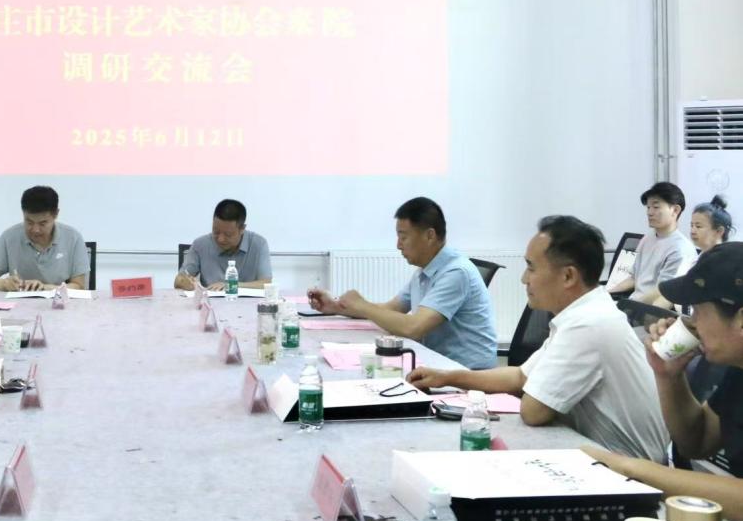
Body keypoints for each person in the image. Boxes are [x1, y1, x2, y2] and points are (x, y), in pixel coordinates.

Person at [408, 216, 668, 461]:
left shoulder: (588, 324)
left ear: (568, 276)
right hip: (599, 453)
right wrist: (447, 378)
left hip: (629, 473)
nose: (524, 278)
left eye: (531, 267)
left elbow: (534, 411)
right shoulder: (584, 312)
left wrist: (528, 390)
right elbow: (520, 376)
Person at [585, 241, 743, 521]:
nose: (692, 323)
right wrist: (669, 376)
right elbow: (698, 442)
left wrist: (632, 468)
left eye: (698, 311)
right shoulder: (738, 370)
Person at [308, 197, 497, 369]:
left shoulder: (456, 272)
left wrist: (363, 306)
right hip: (438, 365)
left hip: (468, 374)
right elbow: (391, 310)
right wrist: (336, 307)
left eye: (403, 237)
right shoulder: (424, 271)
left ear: (430, 236)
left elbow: (413, 328)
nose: (398, 245)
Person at [0, 186, 90, 291]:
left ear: (56, 214)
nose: (35, 230)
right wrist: (3, 284)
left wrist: (44, 288)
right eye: (29, 222)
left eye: (42, 223)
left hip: (58, 303)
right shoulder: (10, 237)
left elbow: (79, 286)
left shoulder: (73, 238)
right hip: (19, 302)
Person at [607, 181, 697, 308]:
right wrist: (606, 293)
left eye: (656, 207)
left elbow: (663, 293)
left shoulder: (680, 249)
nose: (649, 212)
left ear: (675, 210)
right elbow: (634, 278)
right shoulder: (647, 238)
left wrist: (627, 307)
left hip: (650, 310)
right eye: (648, 207)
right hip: (633, 303)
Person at [173, 199, 272, 291]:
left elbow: (266, 283)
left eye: (228, 234)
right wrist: (187, 283)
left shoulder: (259, 244)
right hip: (210, 302)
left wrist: (232, 285)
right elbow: (179, 279)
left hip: (248, 303)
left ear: (242, 229)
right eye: (216, 232)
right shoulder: (200, 244)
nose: (220, 239)